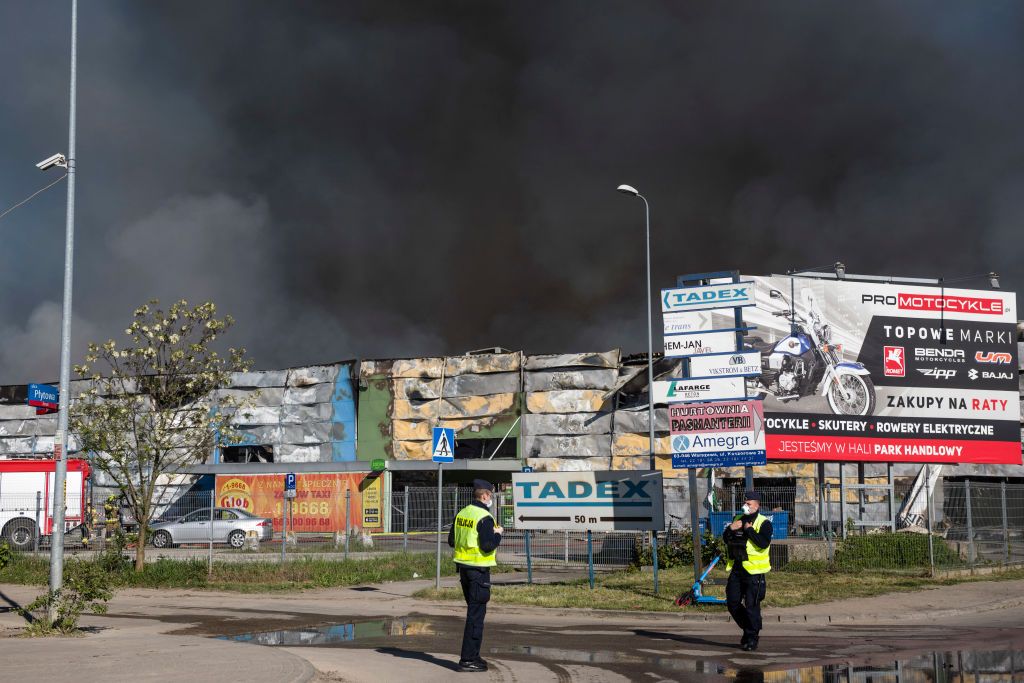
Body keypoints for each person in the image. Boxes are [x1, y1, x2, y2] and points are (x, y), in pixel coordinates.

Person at [447, 479, 503, 672]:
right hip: (479, 572)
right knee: (476, 617)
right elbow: (488, 545)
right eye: (491, 495)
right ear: (485, 495)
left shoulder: (462, 513)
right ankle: (468, 659)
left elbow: (451, 541)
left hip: (464, 570)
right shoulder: (485, 517)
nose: (492, 499)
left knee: (473, 613)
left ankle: (473, 655)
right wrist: (498, 534)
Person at [722, 490, 772, 652]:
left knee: (751, 606)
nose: (746, 506)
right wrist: (730, 528)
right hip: (737, 568)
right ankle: (750, 629)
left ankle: (751, 637)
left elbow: (763, 543)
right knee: (733, 603)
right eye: (745, 503)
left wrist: (749, 530)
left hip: (754, 571)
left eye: (749, 504)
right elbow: (726, 538)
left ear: (757, 505)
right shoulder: (737, 519)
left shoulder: (764, 523)